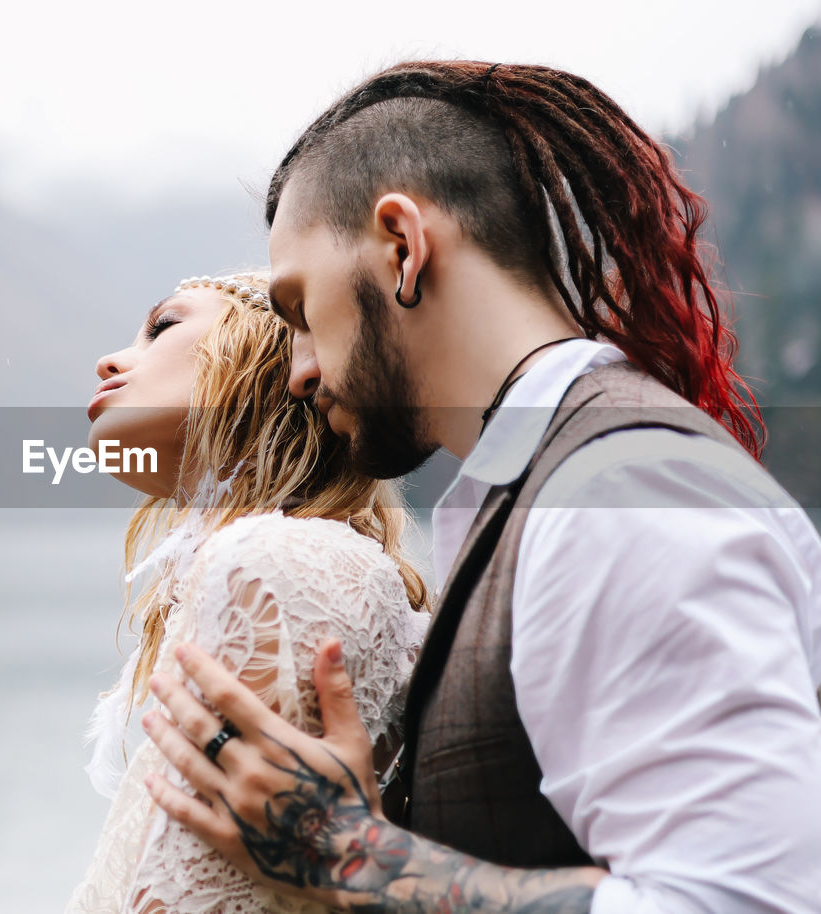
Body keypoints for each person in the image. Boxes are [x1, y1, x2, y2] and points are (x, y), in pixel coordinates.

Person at [140, 61, 821, 913]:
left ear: (402, 246)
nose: (299, 371)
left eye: (302, 309)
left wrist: (353, 855)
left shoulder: (616, 494)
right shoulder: (538, 489)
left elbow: (745, 903)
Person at [66, 271, 431, 913]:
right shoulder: (270, 558)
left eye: (164, 326)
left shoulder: (278, 561)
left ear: (265, 357)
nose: (111, 359)